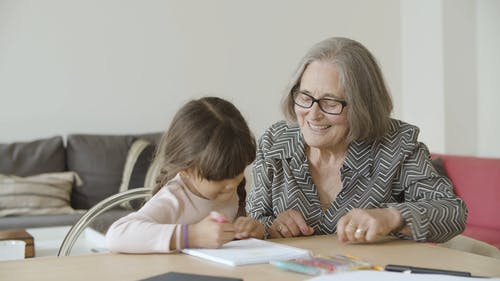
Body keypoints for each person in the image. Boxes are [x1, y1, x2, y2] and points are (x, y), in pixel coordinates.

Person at [246, 37, 467, 243]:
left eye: (330, 103)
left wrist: (392, 217)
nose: (313, 114)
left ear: (362, 106)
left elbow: (451, 212)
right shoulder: (276, 141)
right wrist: (272, 228)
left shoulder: (397, 144)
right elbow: (253, 220)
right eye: (305, 97)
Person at [106, 97, 264, 253]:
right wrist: (192, 236)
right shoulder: (174, 199)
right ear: (185, 170)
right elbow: (117, 235)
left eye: (237, 171)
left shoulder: (230, 191)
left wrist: (249, 232)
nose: (231, 185)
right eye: (219, 177)